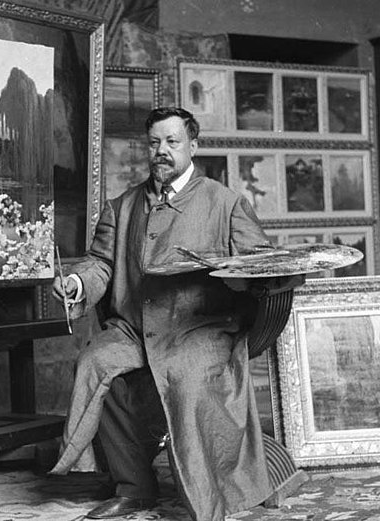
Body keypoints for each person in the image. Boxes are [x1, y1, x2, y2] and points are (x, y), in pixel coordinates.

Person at [50, 107, 302, 521]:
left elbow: (262, 265)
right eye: (154, 143)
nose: (161, 151)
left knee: (187, 377)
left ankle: (208, 496)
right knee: (96, 362)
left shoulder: (226, 203)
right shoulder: (122, 206)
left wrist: (244, 281)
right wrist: (78, 284)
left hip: (200, 328)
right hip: (136, 328)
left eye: (172, 142)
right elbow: (101, 264)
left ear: (193, 146)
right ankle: (134, 489)